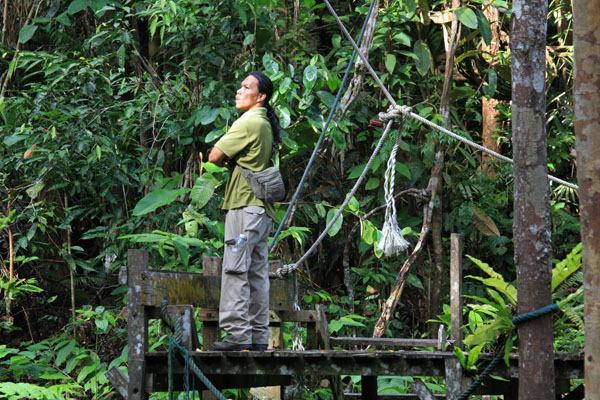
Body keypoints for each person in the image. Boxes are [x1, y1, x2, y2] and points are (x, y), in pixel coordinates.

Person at [207, 71, 280, 351]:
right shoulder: (264, 123)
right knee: (257, 273)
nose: (239, 91)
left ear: (260, 96)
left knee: (236, 270)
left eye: (246, 87)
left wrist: (226, 158)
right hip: (261, 211)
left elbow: (215, 155)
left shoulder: (248, 121)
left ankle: (237, 335)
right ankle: (259, 336)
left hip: (244, 206)